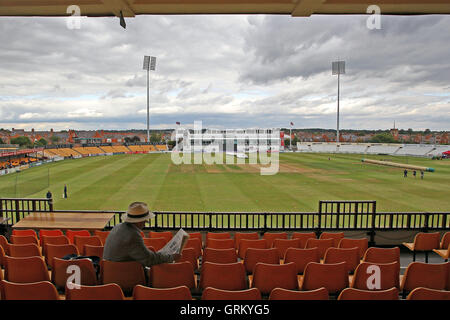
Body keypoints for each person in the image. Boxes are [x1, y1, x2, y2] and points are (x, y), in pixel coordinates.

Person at [103, 202, 181, 267]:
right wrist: (171, 257)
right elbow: (149, 260)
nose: (145, 224)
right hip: (124, 276)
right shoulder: (133, 235)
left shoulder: (117, 227)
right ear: (140, 221)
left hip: (110, 274)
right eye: (145, 221)